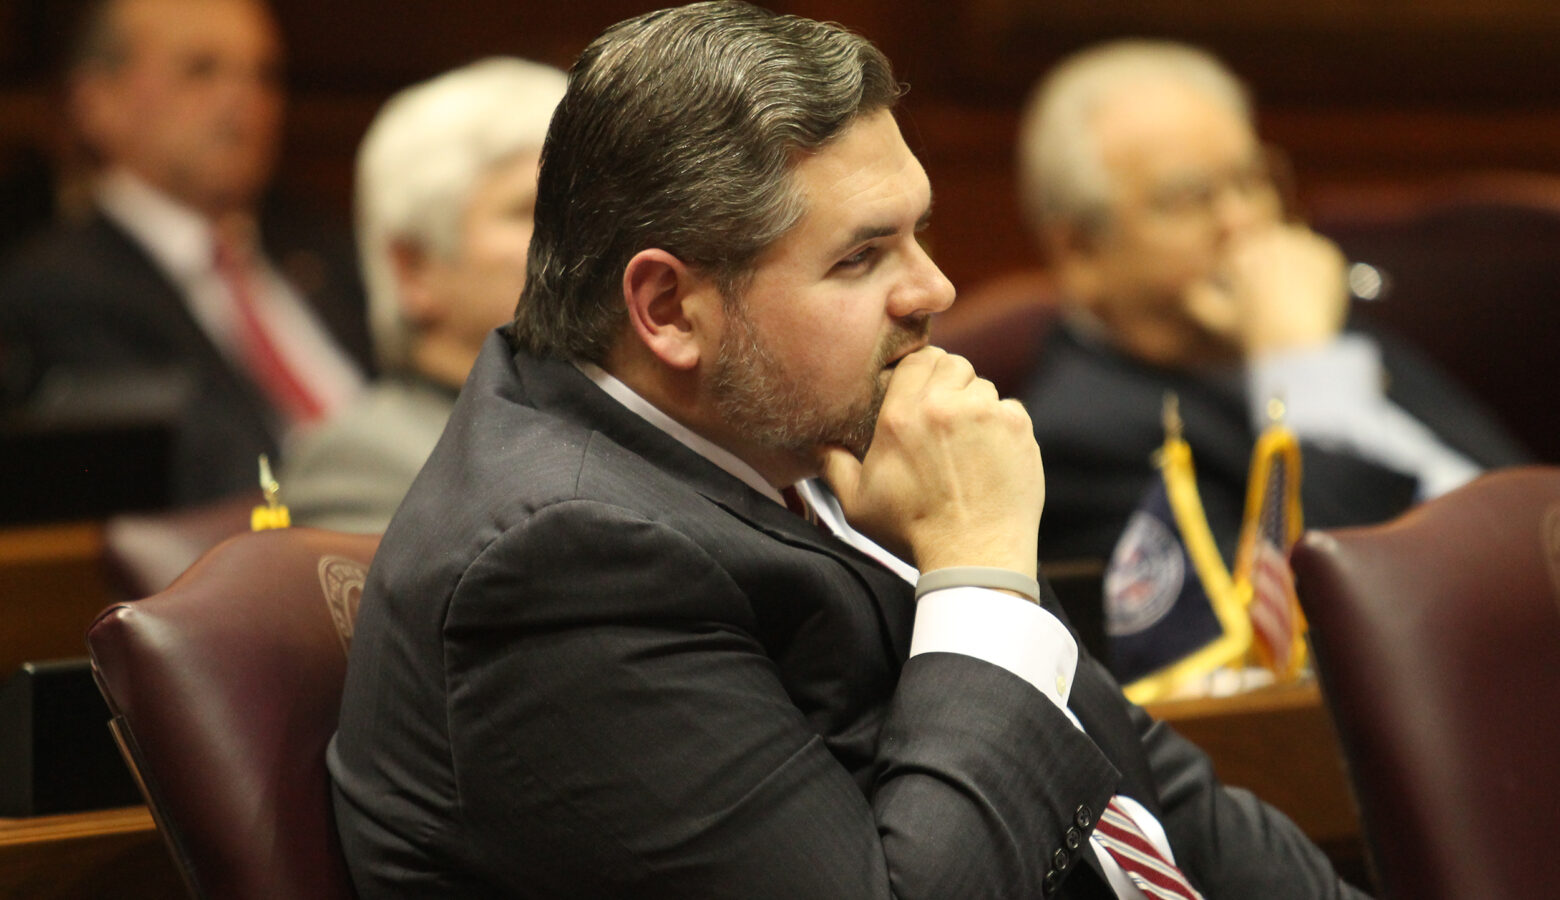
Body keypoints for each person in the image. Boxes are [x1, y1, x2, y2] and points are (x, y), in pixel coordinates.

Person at [329, 4, 1368, 897]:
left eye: (918, 233)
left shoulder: (761, 446)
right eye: (862, 256)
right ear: (667, 308)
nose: (933, 291)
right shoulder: (564, 562)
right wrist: (983, 576)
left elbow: (1137, 783)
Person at [1014, 39, 1528, 568]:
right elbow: (1319, 621)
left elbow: (1521, 498)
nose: (1243, 221)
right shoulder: (1082, 444)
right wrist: (1301, 369)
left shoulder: (1311, 317)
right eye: (1189, 199)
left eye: (1251, 180)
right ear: (1079, 253)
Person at [0, 0, 370, 506]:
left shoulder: (327, 248)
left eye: (265, 75)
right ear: (98, 101)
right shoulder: (56, 288)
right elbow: (211, 475)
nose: (244, 99)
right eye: (202, 69)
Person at [279, 58, 566, 533]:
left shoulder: (609, 420)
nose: (580, 241)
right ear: (414, 268)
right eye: (530, 212)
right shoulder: (360, 461)